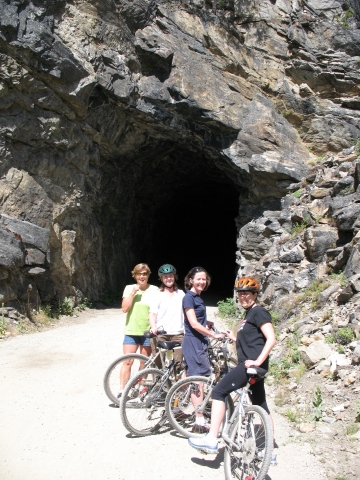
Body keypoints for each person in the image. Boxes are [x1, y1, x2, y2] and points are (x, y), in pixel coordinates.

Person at [188, 276, 277, 461]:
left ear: (255, 295)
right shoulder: (249, 315)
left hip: (250, 366)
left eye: (247, 294)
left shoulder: (259, 312)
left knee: (219, 392)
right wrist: (235, 338)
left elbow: (271, 339)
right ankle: (269, 452)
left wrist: (257, 361)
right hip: (253, 367)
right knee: (261, 405)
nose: (243, 297)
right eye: (241, 294)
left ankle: (212, 439)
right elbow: (254, 341)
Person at [182, 266, 224, 433]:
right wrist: (213, 335)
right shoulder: (188, 297)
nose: (201, 281)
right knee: (198, 380)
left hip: (199, 340)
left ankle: (180, 405)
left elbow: (197, 320)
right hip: (193, 341)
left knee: (192, 376)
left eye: (204, 279)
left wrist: (207, 324)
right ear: (191, 280)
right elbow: (192, 323)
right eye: (198, 279)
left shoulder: (197, 297)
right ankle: (199, 419)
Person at [118, 263, 158, 398]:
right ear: (134, 275)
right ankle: (123, 390)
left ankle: (140, 387)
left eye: (144, 274)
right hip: (132, 330)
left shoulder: (155, 290)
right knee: (127, 361)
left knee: (144, 362)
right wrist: (133, 293)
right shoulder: (129, 288)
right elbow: (124, 308)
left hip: (147, 331)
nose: (142, 276)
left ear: (148, 275)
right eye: (139, 274)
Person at [149, 264, 185, 365]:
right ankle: (158, 380)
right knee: (159, 363)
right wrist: (153, 327)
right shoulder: (157, 294)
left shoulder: (181, 294)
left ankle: (176, 381)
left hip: (177, 334)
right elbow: (152, 314)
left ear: (174, 277)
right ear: (161, 279)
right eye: (165, 276)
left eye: (170, 276)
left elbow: (187, 312)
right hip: (161, 333)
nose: (168, 278)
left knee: (177, 364)